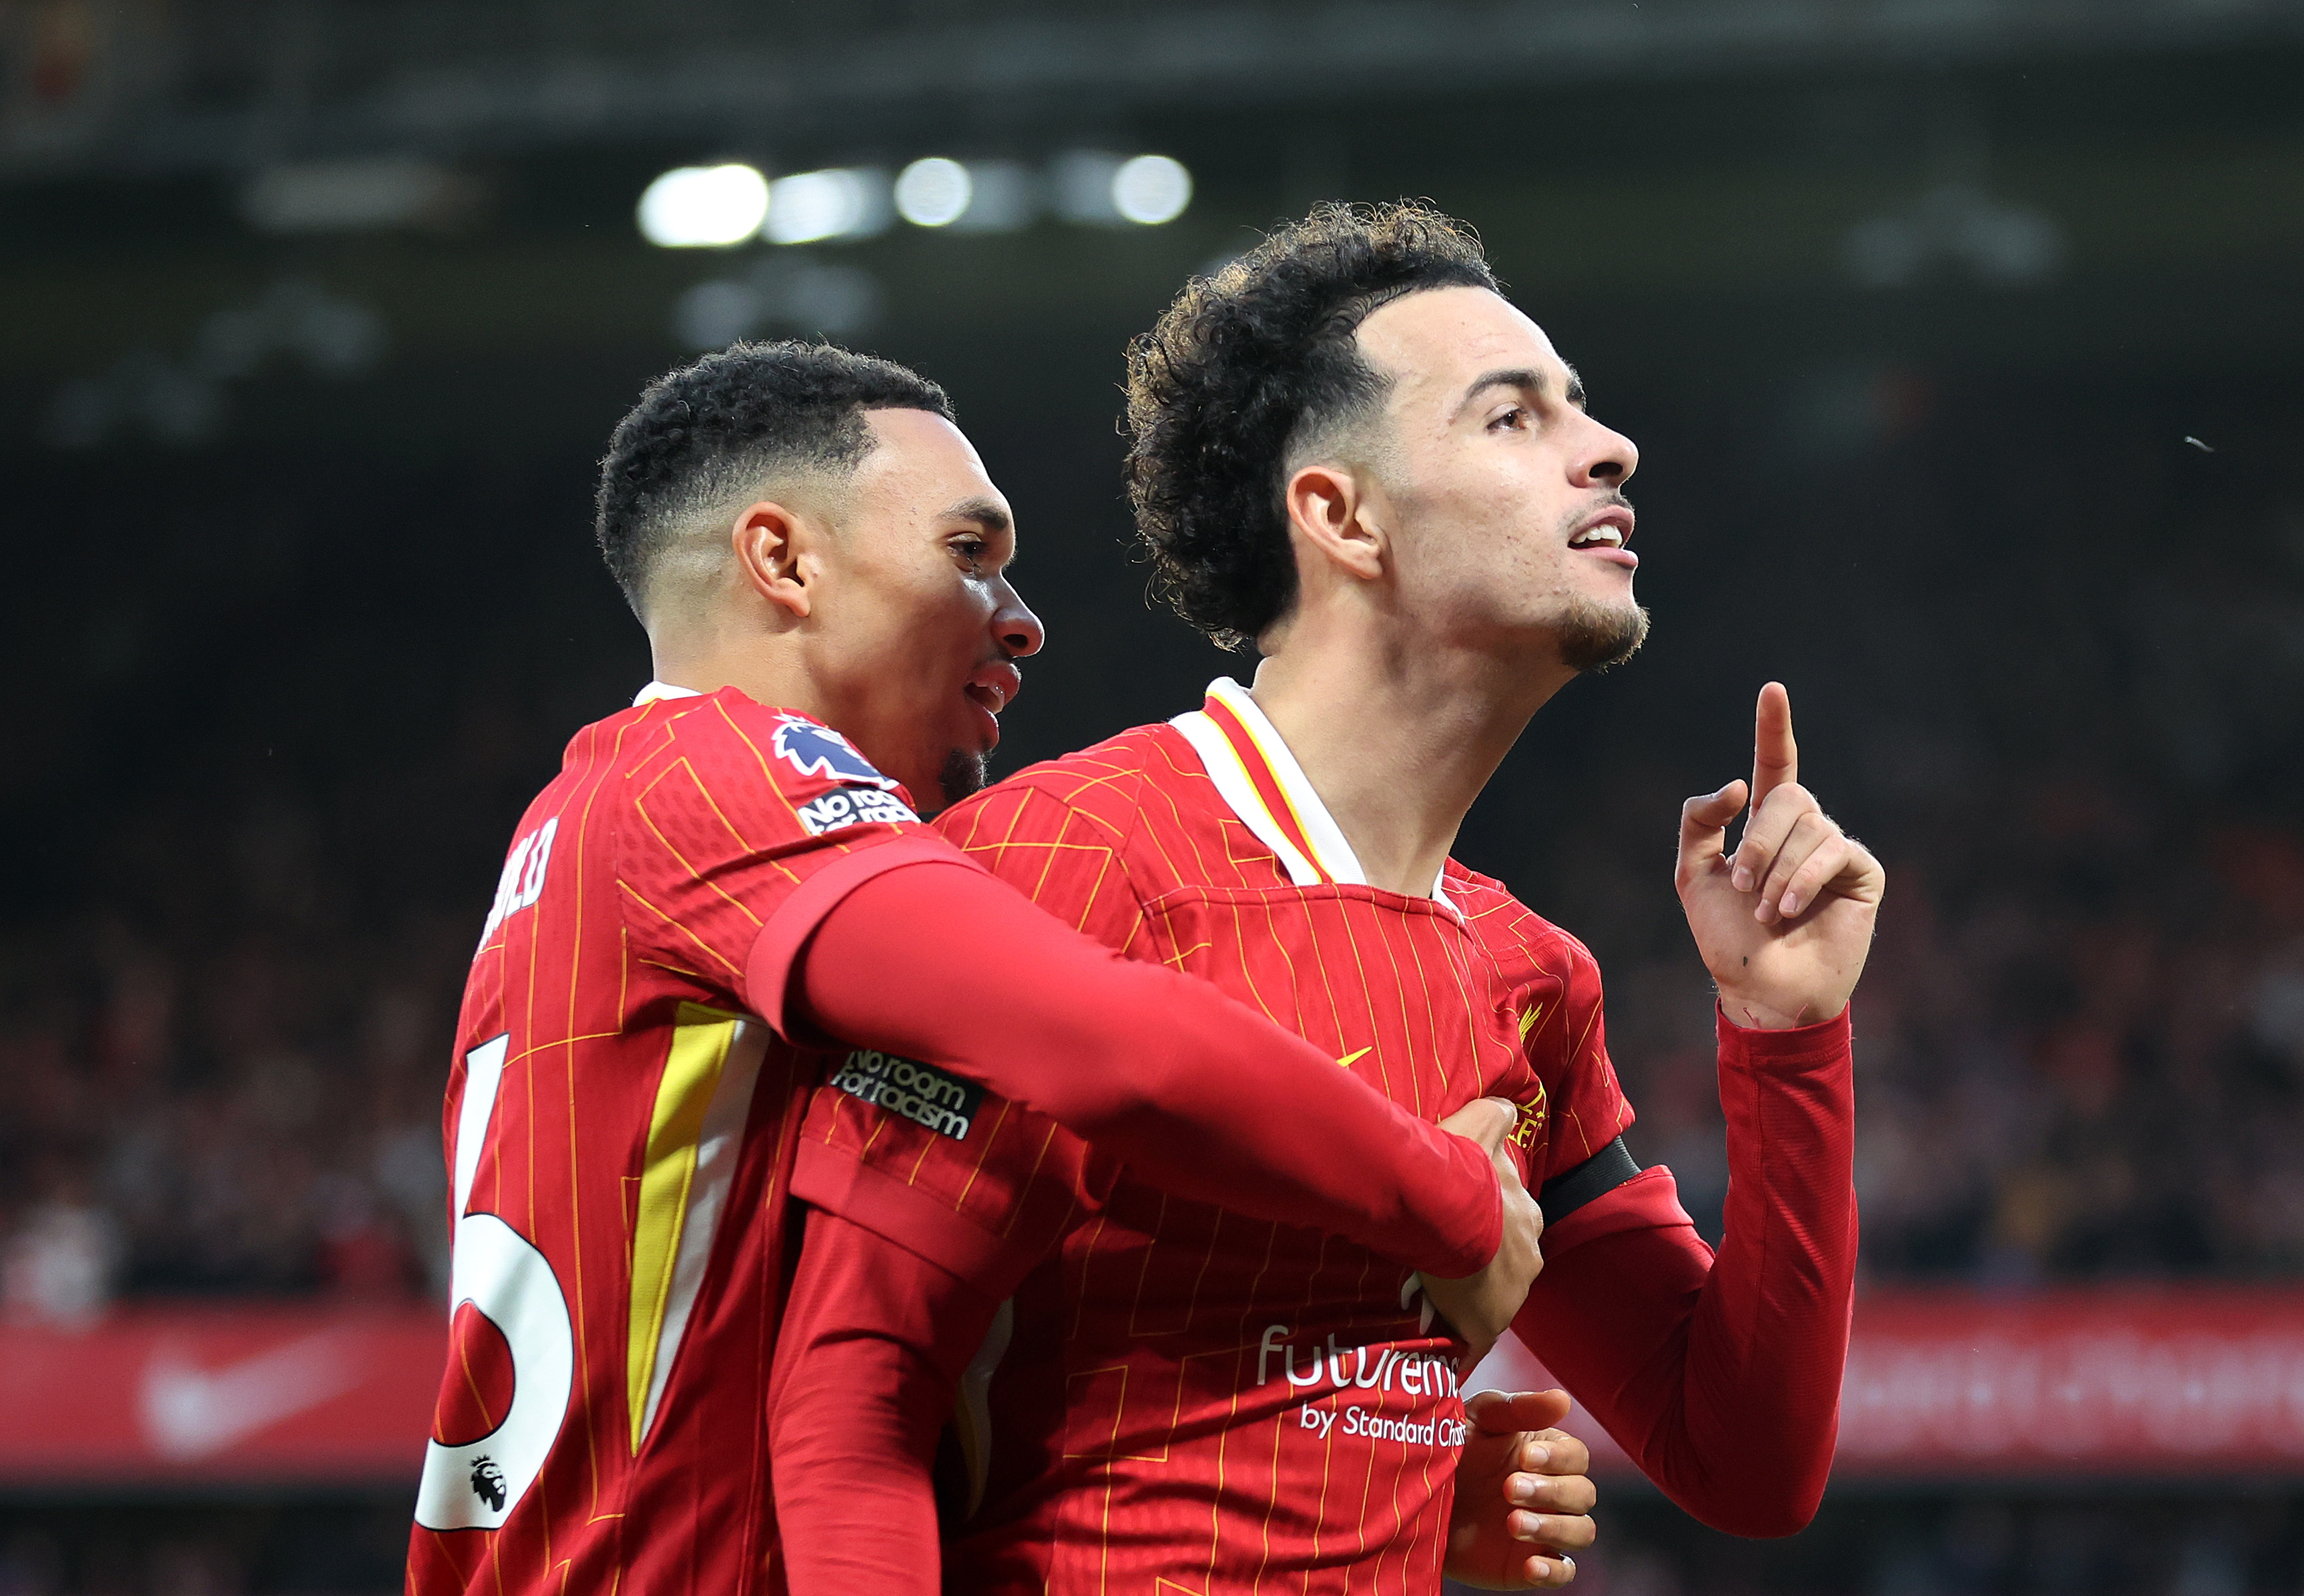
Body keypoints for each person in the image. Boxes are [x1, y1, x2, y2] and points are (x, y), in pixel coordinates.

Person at [772, 202, 1882, 1592]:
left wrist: (1787, 1038)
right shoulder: (1058, 864)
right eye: (1513, 417)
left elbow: (1747, 1459)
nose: (1609, 448)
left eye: (1581, 408)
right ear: (1343, 516)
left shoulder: (1529, 977)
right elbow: (849, 1411)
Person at [403, 340, 1554, 1595]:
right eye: (968, 555)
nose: (1021, 618)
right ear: (783, 562)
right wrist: (1452, 1197)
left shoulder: (588, 822)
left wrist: (1378, 1480)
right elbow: (1110, 1044)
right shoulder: (718, 778)